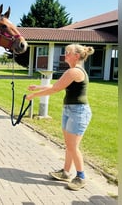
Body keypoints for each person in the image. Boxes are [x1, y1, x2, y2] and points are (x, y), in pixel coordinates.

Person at [26, 43, 94, 191]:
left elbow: (56, 89)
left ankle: (81, 177)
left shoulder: (74, 71)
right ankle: (65, 172)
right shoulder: (71, 71)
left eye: (68, 52)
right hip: (70, 110)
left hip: (79, 112)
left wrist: (33, 96)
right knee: (68, 145)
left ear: (76, 56)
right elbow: (57, 85)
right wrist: (38, 87)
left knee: (73, 146)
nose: (65, 55)